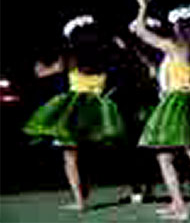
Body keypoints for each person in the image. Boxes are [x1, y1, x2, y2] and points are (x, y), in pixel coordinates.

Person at [131, 0, 190, 220]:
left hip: (176, 102)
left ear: (179, 26)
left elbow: (140, 31)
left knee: (165, 157)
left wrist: (143, 7)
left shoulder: (173, 46)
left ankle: (181, 207)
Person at [23, 15, 125, 211]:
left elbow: (43, 72)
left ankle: (80, 201)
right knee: (86, 155)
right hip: (99, 110)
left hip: (74, 110)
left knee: (71, 157)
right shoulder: (106, 55)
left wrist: (39, 66)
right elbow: (121, 58)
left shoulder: (70, 57)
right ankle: (83, 194)